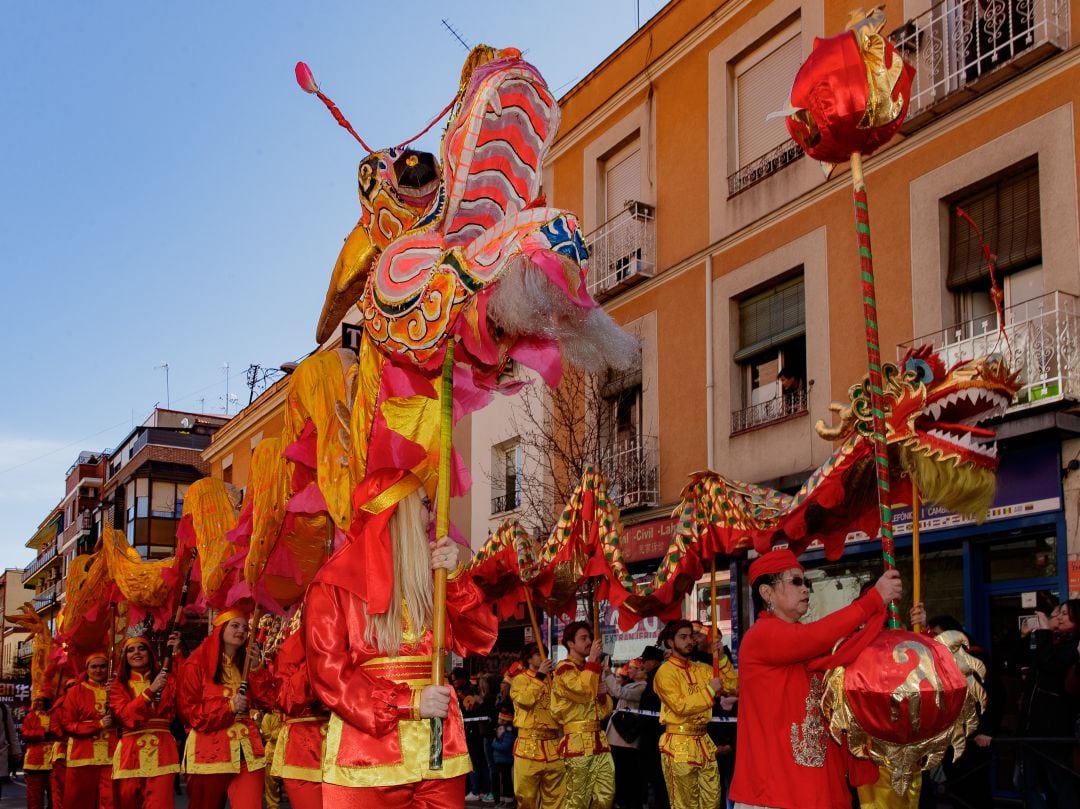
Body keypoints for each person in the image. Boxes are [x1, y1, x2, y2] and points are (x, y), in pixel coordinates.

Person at [305, 474, 498, 808]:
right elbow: (329, 676)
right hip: (366, 758)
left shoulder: (433, 579)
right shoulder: (331, 586)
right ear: (399, 511)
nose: (433, 514)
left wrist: (454, 579)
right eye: (424, 503)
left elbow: (478, 639)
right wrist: (408, 702)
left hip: (439, 756)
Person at [729, 548, 902, 809]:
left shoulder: (808, 644)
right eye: (796, 581)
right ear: (767, 593)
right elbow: (816, 637)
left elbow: (839, 648)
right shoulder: (759, 637)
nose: (805, 589)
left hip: (820, 788)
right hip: (775, 793)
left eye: (806, 582)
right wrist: (873, 600)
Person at [177, 608, 274, 809]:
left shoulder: (247, 665)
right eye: (235, 625)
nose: (241, 631)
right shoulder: (196, 664)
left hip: (248, 752)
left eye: (245, 628)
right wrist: (228, 707)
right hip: (210, 752)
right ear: (220, 629)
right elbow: (190, 713)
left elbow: (270, 702)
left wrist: (257, 669)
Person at [653, 619, 736, 809]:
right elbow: (680, 706)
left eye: (691, 636)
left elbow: (733, 686)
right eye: (683, 637)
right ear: (670, 642)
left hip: (704, 743)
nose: (689, 641)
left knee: (712, 802)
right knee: (685, 804)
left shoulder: (703, 669)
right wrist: (709, 691)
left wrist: (722, 659)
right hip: (678, 745)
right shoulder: (665, 672)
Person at [1016, 598, 1079, 809]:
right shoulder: (1053, 641)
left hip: (1055, 731)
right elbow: (1029, 663)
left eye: (1064, 613)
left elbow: (1052, 666)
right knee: (1029, 783)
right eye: (1058, 613)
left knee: (1060, 784)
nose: (1059, 618)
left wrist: (1043, 633)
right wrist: (1026, 637)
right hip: (1032, 727)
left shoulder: (1074, 646)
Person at [109, 632, 182, 809]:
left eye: (142, 649)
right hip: (130, 753)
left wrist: (177, 653)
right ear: (125, 657)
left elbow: (186, 685)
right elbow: (125, 715)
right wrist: (151, 691)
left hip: (163, 751)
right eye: (131, 650)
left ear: (150, 654)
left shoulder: (167, 681)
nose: (137, 653)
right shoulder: (117, 687)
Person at [550, 620, 615, 809]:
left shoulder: (590, 670)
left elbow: (603, 711)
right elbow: (582, 690)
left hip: (599, 742)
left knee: (605, 795)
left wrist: (603, 696)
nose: (589, 642)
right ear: (570, 643)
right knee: (577, 799)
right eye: (583, 638)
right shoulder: (564, 669)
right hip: (577, 743)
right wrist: (593, 660)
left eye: (590, 637)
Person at [268, 620, 328, 809]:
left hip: (347, 747)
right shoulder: (292, 648)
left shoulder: (354, 638)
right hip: (304, 751)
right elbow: (286, 699)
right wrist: (315, 658)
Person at [60, 651, 118, 809]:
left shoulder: (116, 690)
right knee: (80, 800)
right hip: (82, 756)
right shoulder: (75, 692)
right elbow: (67, 724)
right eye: (94, 667)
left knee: (111, 800)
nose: (98, 670)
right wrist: (97, 724)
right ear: (87, 669)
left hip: (112, 755)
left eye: (102, 667)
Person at [510, 643, 564, 809]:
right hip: (528, 746)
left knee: (557, 798)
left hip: (553, 746)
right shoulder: (520, 679)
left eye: (546, 653)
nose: (543, 656)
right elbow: (525, 701)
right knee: (527, 798)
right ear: (528, 658)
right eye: (538, 654)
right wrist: (540, 676)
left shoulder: (552, 680)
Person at [603, 656, 648, 809]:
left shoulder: (642, 687)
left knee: (626, 775)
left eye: (635, 669)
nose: (631, 671)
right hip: (617, 737)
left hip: (626, 740)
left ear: (643, 672)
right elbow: (613, 690)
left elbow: (618, 692)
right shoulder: (633, 685)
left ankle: (627, 802)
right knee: (619, 774)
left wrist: (608, 672)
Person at [637, 644, 670, 809]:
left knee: (659, 782)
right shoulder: (651, 679)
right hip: (652, 738)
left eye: (645, 661)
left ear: (654, 662)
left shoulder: (657, 679)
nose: (642, 665)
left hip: (656, 738)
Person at [21, 697, 53, 809]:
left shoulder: (56, 715)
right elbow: (25, 734)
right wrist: (44, 731)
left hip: (54, 762)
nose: (39, 703)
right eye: (36, 700)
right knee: (34, 800)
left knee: (55, 799)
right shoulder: (31, 716)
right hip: (34, 764)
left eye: (42, 700)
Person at [491, 720, 516, 806]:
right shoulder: (498, 737)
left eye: (501, 728)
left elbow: (504, 747)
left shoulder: (508, 735)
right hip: (499, 762)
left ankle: (508, 800)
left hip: (506, 762)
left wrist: (494, 744)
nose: (499, 730)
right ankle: (502, 799)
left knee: (506, 781)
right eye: (498, 728)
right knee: (501, 781)